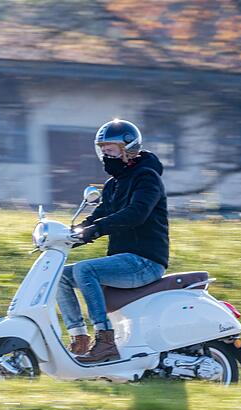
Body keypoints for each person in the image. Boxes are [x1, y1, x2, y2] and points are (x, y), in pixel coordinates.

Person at [58, 119, 169, 363]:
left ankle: (105, 341)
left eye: (110, 150)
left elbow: (136, 214)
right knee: (59, 276)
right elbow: (99, 215)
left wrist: (96, 230)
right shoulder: (113, 184)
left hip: (145, 261)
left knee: (85, 270)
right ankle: (79, 339)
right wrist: (69, 235)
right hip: (123, 261)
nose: (105, 155)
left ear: (128, 149)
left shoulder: (147, 178)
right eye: (103, 150)